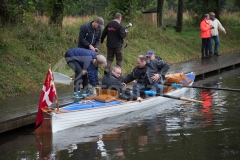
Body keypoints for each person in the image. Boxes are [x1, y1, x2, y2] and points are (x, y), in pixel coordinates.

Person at [78, 17, 104, 85]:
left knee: (95, 64)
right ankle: (82, 83)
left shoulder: (98, 29)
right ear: (95, 22)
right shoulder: (85, 27)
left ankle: (95, 82)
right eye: (98, 26)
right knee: (85, 66)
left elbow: (98, 39)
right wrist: (89, 45)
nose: (99, 28)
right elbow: (81, 39)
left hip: (92, 50)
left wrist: (96, 47)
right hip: (83, 49)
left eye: (100, 27)